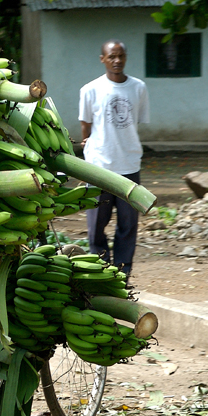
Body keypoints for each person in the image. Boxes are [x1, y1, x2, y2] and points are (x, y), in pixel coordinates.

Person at [79, 40, 149, 277]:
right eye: (112, 57)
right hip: (99, 167)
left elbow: (135, 122)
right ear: (103, 59)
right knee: (96, 226)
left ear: (126, 57)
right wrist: (91, 147)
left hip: (129, 165)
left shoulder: (138, 88)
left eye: (121, 56)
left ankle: (122, 273)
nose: (117, 61)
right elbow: (85, 126)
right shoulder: (90, 90)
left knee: (128, 226)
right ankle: (102, 271)